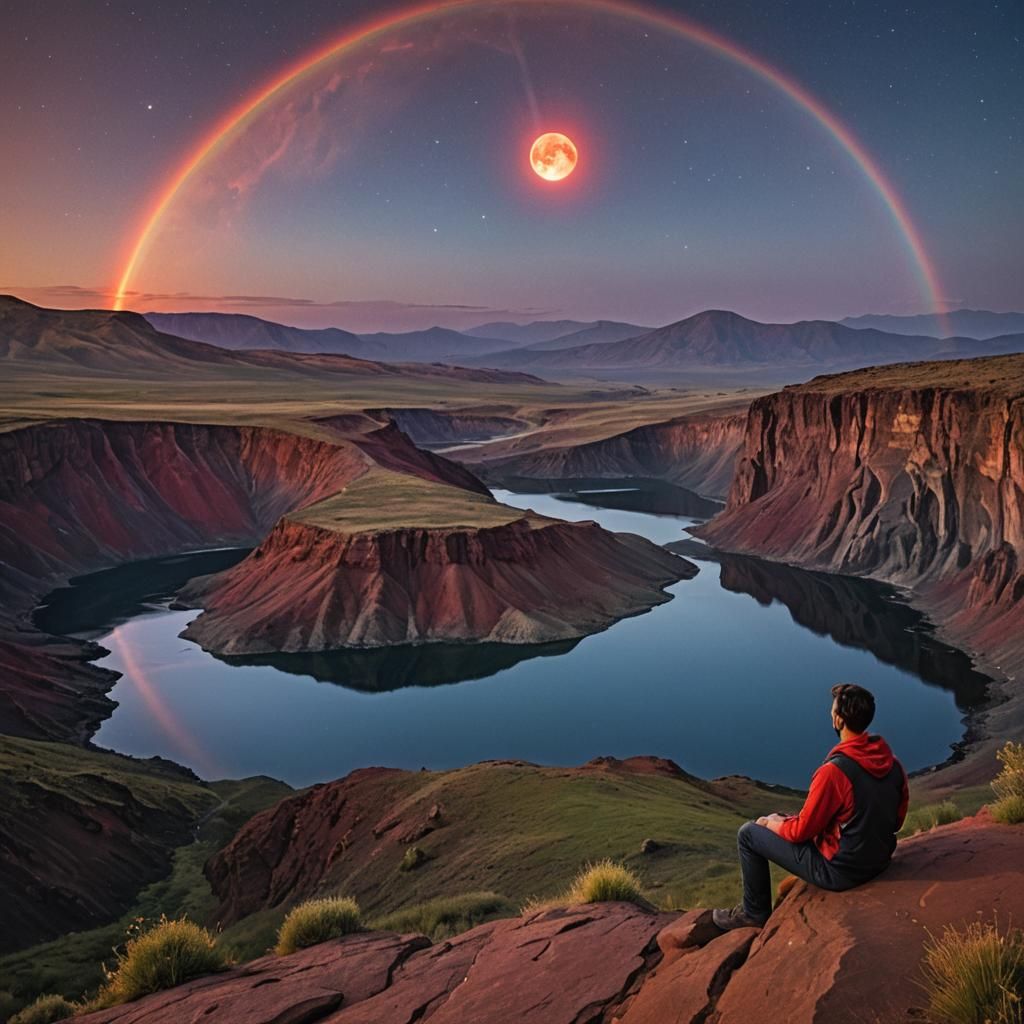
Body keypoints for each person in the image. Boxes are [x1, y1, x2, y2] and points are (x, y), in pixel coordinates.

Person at [713, 682, 909, 930]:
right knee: (787, 823)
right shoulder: (893, 763)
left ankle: (754, 914)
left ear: (838, 720)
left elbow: (800, 831)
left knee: (749, 834)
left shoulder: (834, 772)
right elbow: (897, 820)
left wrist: (771, 823)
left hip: (842, 872)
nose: (830, 713)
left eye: (832, 710)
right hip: (880, 860)